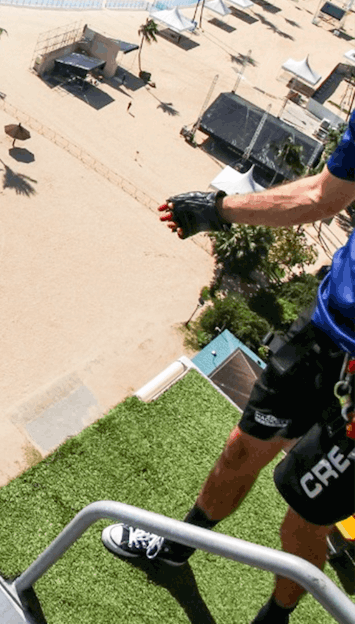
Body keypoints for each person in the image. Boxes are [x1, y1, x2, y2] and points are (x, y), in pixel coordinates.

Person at [101, 130, 355, 624]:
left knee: (305, 518)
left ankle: (274, 618)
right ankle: (174, 548)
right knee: (242, 448)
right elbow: (323, 194)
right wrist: (217, 211)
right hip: (326, 327)